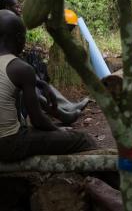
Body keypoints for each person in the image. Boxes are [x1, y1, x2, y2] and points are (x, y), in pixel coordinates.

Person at [0, 9, 97, 161]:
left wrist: (39, 82)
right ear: (19, 39)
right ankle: (123, 184)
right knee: (83, 140)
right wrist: (58, 130)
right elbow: (38, 120)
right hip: (9, 145)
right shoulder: (21, 68)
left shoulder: (17, 69)